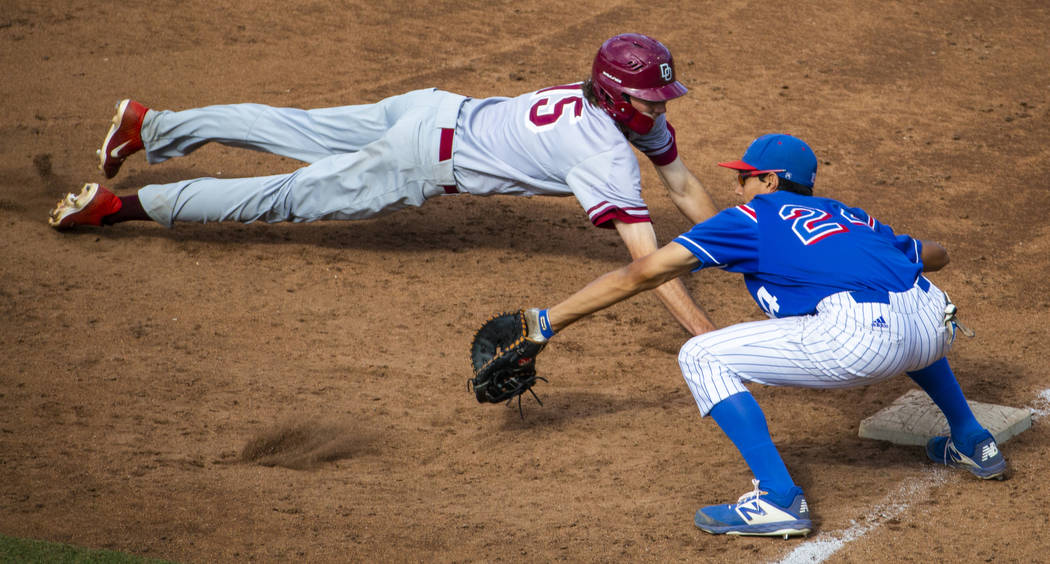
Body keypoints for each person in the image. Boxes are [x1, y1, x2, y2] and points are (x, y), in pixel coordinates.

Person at [47, 33, 717, 336]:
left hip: (430, 107)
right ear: (616, 93)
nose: (660, 107)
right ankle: (115, 209)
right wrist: (703, 329)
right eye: (650, 97)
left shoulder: (606, 109)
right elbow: (645, 263)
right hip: (415, 159)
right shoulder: (603, 149)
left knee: (291, 127)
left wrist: (740, 236)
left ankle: (152, 125)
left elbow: (683, 185)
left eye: (661, 97)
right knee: (280, 195)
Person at [512, 133, 1006, 538]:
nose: (737, 188)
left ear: (769, 181)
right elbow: (935, 254)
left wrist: (550, 320)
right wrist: (901, 255)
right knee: (899, 305)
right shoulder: (851, 215)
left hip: (865, 339)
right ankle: (973, 440)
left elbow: (644, 273)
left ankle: (777, 500)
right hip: (937, 320)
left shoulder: (749, 218)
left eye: (744, 178)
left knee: (703, 356)